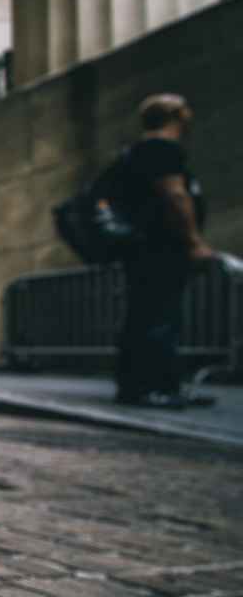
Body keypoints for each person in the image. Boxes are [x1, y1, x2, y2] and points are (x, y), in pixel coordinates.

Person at [111, 94, 217, 409]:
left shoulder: (136, 151)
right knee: (155, 319)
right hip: (159, 248)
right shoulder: (161, 149)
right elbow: (174, 195)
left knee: (158, 318)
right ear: (178, 114)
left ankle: (164, 384)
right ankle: (143, 387)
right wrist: (194, 242)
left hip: (147, 247)